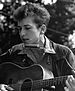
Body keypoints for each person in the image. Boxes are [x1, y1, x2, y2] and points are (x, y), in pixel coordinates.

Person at [0, 2, 75, 91]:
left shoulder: (63, 54)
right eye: (20, 29)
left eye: (27, 28)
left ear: (42, 29)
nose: (22, 33)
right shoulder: (14, 52)